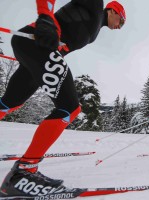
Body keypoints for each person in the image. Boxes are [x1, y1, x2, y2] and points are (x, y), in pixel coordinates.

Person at [0, 0, 126, 197]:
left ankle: (25, 170)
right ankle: (24, 172)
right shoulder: (94, 6)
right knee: (69, 108)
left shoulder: (95, 28)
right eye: (122, 21)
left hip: (36, 50)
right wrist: (45, 18)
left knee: (8, 103)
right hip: (36, 43)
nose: (120, 27)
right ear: (113, 10)